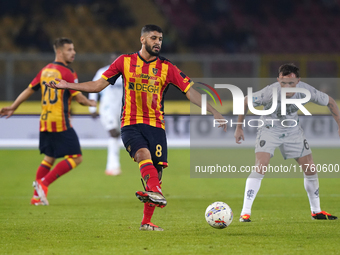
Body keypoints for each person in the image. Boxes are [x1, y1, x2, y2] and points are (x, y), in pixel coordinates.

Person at [46, 24, 227, 231]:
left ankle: (147, 220)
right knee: (142, 154)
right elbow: (97, 86)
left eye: (160, 38)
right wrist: (67, 85)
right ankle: (156, 192)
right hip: (130, 123)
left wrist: (213, 111)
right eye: (153, 38)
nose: (158, 42)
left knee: (155, 174)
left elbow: (190, 91)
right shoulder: (124, 62)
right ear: (142, 40)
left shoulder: (167, 67)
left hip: (156, 126)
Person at [234, 63, 339, 222]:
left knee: (310, 168)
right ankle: (245, 212)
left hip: (292, 131)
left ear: (298, 81)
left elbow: (330, 101)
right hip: (269, 129)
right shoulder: (269, 92)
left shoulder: (307, 91)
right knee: (261, 166)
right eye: (283, 83)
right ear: (278, 80)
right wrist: (238, 128)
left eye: (291, 83)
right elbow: (246, 101)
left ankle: (316, 211)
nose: (287, 87)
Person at [0, 38, 96, 206]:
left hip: (45, 121)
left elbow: (29, 89)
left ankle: (36, 197)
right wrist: (91, 103)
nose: (73, 53)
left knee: (49, 158)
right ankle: (44, 183)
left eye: (73, 49)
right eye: (69, 50)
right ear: (59, 52)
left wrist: (13, 106)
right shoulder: (67, 72)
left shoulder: (45, 70)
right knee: (76, 157)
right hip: (60, 121)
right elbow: (79, 98)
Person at [88, 54, 123, 176]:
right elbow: (93, 88)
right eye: (113, 59)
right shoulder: (103, 72)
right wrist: (92, 108)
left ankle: (111, 167)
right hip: (107, 109)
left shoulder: (125, 74)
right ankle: (114, 166)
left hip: (121, 110)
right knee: (113, 133)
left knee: (117, 136)